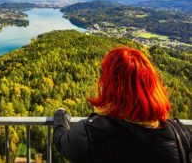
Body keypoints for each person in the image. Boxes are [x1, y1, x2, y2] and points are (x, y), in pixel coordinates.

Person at [53, 47, 192, 163]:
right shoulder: (180, 135)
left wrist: (60, 115)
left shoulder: (88, 134)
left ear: (110, 87)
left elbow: (61, 141)